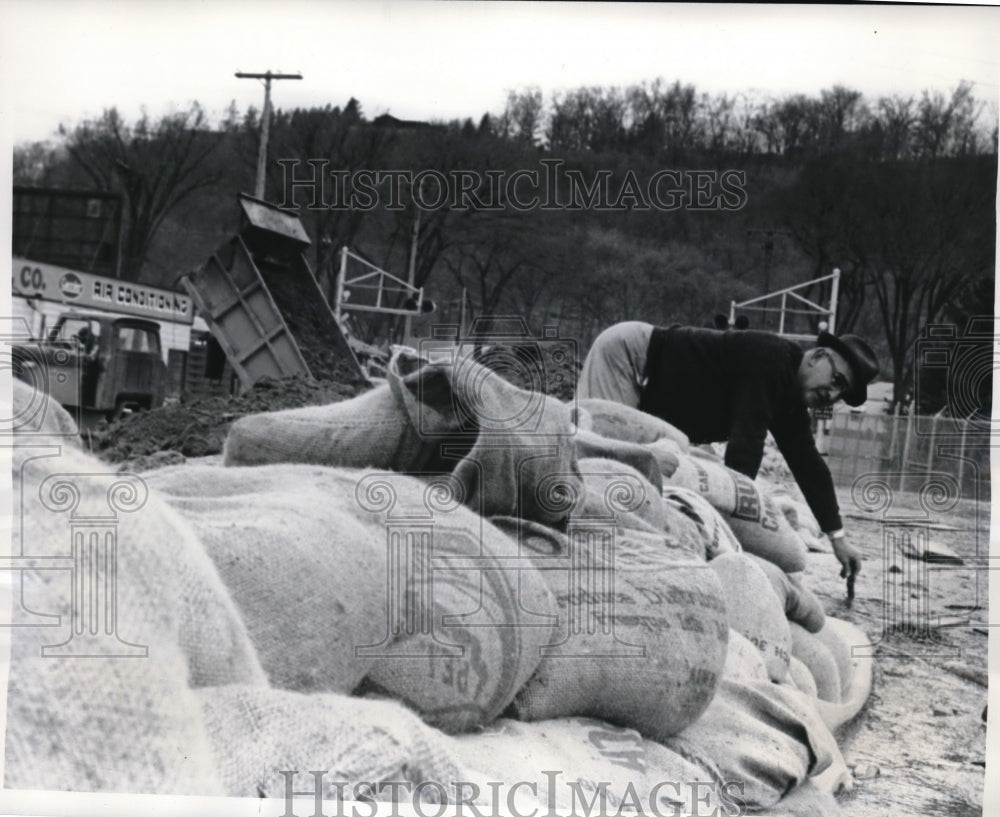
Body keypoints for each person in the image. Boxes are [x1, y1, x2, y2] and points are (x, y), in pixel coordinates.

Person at [577, 321, 880, 597]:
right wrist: (729, 532)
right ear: (817, 357)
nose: (833, 393)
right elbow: (746, 444)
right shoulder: (772, 358)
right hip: (631, 357)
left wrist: (837, 537)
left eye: (842, 392)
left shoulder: (789, 399)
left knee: (636, 474)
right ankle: (580, 563)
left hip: (649, 388)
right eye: (837, 379)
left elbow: (809, 465)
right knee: (605, 466)